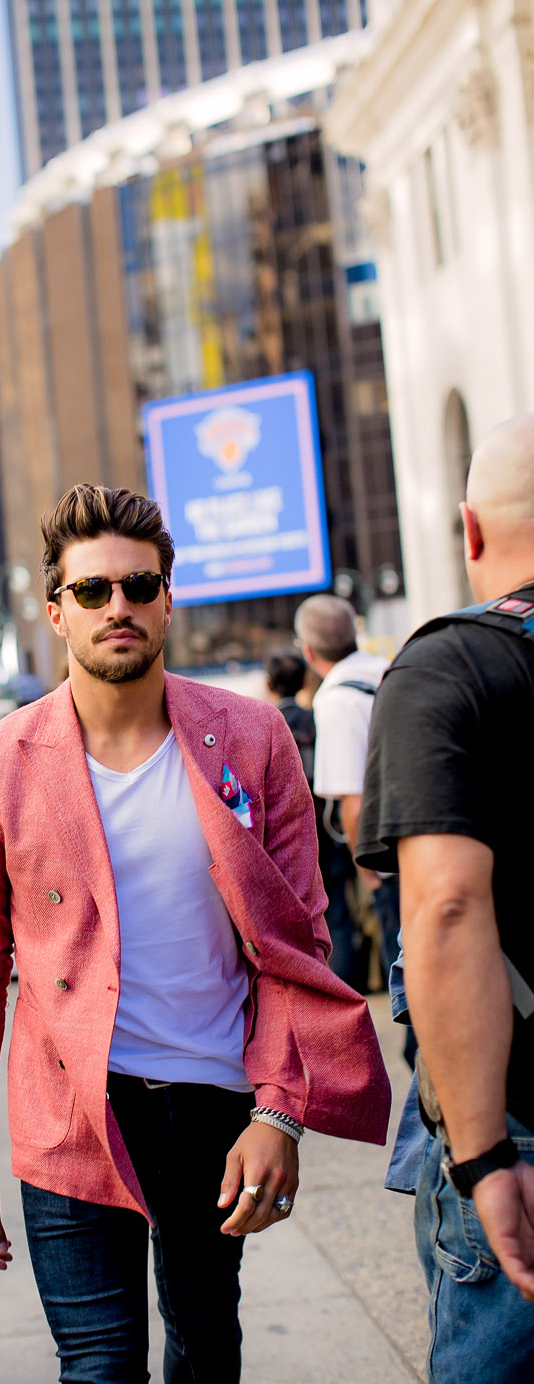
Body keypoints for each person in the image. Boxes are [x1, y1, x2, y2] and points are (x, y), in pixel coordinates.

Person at [0, 484, 391, 1383]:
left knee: (205, 1345)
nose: (119, 608)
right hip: (68, 1105)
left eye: (139, 587)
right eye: (94, 591)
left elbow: (299, 950)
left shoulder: (252, 736)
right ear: (56, 609)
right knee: (98, 1368)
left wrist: (278, 1114)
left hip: (213, 1105)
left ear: (168, 599)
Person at [357, 415, 534, 1382]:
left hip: (519, 1129)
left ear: (468, 532)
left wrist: (480, 1157)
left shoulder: (449, 667)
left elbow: (448, 908)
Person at [294, 594, 399, 982]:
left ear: (308, 650)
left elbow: (352, 805)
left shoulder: (336, 700)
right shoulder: (389, 669)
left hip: (388, 857)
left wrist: (369, 875)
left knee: (403, 964)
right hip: (427, 835)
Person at [264, 649, 358, 988]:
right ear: (306, 680)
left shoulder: (264, 726)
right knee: (337, 914)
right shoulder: (318, 719)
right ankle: (345, 990)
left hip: (286, 838)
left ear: (268, 683)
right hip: (330, 832)